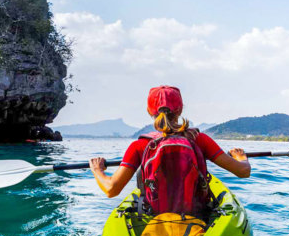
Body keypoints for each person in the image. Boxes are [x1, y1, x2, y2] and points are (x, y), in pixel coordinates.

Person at [89, 86, 251, 205]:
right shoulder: (199, 139)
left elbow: (111, 189)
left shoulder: (140, 145)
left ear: (149, 111)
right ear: (180, 110)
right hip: (197, 214)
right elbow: (243, 172)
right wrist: (241, 157)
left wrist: (98, 170)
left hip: (156, 216)